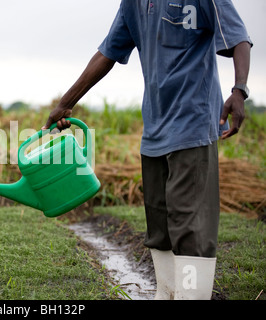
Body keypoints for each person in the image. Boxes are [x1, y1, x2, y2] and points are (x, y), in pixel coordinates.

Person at [42, 0, 252, 300]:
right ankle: (166, 294)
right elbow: (107, 53)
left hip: (193, 125)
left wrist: (239, 89)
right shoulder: (133, 3)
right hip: (155, 130)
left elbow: (238, 37)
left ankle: (191, 296)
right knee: (160, 226)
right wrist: (66, 102)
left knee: (189, 226)